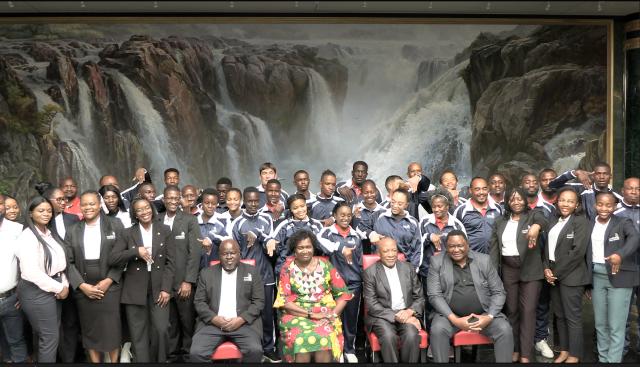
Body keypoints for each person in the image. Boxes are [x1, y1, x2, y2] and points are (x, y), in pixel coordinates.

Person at [427, 230, 513, 363]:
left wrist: (489, 317)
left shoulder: (484, 260)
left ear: (467, 245)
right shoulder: (437, 261)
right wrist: (455, 320)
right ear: (446, 247)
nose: (456, 250)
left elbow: (499, 292)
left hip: (482, 315)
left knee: (504, 329)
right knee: (437, 330)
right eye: (451, 246)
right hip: (450, 316)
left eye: (460, 245)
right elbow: (434, 295)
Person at [64, 190, 126, 363]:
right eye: (84, 204)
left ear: (99, 205)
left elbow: (122, 256)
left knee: (111, 328)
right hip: (84, 287)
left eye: (92, 203)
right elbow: (67, 262)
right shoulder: (72, 230)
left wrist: (109, 280)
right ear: (80, 207)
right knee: (89, 328)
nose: (88, 207)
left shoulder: (116, 224)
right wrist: (82, 286)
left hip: (110, 285)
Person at [111, 198, 176, 363]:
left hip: (159, 287)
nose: (144, 211)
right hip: (135, 288)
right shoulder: (127, 233)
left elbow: (171, 262)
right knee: (138, 332)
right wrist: (135, 251)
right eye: (139, 210)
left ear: (152, 209)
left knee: (161, 329)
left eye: (147, 207)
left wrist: (166, 289)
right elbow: (113, 258)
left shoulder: (165, 229)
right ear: (135, 214)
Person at [273, 229, 352, 362]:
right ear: (294, 250)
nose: (305, 251)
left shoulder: (325, 265)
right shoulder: (287, 268)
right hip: (296, 315)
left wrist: (332, 315)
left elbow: (343, 294)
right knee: (301, 338)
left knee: (324, 337)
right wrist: (311, 315)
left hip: (326, 314)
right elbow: (285, 301)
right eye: (301, 248)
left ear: (313, 248)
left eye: (308, 247)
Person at [489, 187, 547, 363]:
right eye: (512, 199)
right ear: (507, 202)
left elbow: (543, 221)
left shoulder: (534, 215)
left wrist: (536, 227)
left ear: (525, 200)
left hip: (530, 269)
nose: (516, 202)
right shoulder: (500, 221)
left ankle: (526, 354)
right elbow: (494, 250)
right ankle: (514, 349)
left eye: (520, 198)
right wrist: (491, 274)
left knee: (528, 311)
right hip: (508, 269)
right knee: (511, 311)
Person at [189, 240, 265, 362]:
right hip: (212, 324)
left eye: (232, 253)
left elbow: (259, 302)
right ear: (219, 255)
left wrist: (241, 320)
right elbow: (199, 302)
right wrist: (215, 319)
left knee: (255, 350)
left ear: (239, 254)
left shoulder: (252, 272)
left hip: (244, 324)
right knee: (196, 353)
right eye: (225, 254)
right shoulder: (206, 273)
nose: (229, 257)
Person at [16, 196, 70, 363]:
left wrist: (64, 284)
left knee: (47, 336)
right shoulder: (28, 237)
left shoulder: (49, 233)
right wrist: (59, 288)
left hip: (52, 287)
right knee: (49, 338)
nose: (46, 214)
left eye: (48, 211)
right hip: (37, 291)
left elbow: (60, 263)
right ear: (31, 213)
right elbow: (31, 271)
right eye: (41, 211)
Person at [588, 191, 639, 363]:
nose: (604, 208)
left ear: (615, 206)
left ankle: (613, 361)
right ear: (595, 205)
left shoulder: (623, 222)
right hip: (596, 277)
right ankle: (604, 359)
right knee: (600, 325)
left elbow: (635, 238)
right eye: (600, 204)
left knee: (616, 326)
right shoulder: (590, 224)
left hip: (619, 276)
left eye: (609, 205)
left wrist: (620, 254)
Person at [229, 187, 278, 362]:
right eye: (249, 201)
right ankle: (250, 349)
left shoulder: (267, 219)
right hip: (244, 275)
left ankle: (268, 348)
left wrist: (259, 235)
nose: (253, 204)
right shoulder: (236, 223)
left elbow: (272, 243)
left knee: (267, 313)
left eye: (256, 201)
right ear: (244, 201)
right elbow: (233, 252)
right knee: (245, 312)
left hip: (266, 274)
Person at [542, 186, 590, 363]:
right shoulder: (553, 219)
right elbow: (546, 247)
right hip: (554, 274)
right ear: (557, 201)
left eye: (570, 201)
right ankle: (564, 350)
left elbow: (577, 253)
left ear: (577, 204)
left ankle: (575, 354)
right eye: (562, 200)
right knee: (560, 316)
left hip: (572, 277)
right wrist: (546, 267)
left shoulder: (581, 222)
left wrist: (555, 273)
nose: (565, 204)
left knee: (573, 317)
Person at [363, 237, 424, 363]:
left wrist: (409, 312)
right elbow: (372, 304)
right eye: (386, 251)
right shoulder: (370, 272)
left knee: (412, 336)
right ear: (378, 254)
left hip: (405, 313)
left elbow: (419, 297)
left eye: (394, 250)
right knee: (388, 337)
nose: (391, 255)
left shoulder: (408, 268)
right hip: (381, 316)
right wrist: (397, 316)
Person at [157, 185, 201, 361]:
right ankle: (173, 353)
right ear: (164, 200)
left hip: (183, 281)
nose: (173, 201)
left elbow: (195, 252)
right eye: (170, 198)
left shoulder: (190, 220)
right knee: (170, 321)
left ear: (181, 199)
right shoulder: (157, 220)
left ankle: (189, 353)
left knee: (187, 320)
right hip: (164, 282)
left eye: (177, 198)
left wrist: (188, 281)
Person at [317, 202, 363, 363]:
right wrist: (340, 247)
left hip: (353, 284)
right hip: (333, 285)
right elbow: (318, 241)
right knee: (333, 317)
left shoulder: (355, 235)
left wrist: (359, 277)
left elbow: (359, 261)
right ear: (334, 216)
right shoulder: (327, 233)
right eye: (342, 215)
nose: (345, 218)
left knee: (351, 319)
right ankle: (337, 349)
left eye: (348, 215)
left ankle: (349, 349)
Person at [40, 186, 81, 362]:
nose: (64, 202)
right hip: (48, 282)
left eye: (65, 199)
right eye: (59, 199)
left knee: (71, 321)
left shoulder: (74, 219)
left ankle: (70, 359)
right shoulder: (39, 223)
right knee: (49, 326)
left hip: (73, 278)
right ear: (47, 201)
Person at [418, 188, 466, 324]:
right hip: (428, 271)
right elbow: (416, 243)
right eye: (433, 207)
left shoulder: (456, 224)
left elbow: (465, 248)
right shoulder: (424, 222)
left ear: (447, 206)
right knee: (430, 303)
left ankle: (451, 338)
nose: (436, 209)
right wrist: (428, 236)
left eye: (440, 206)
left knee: (450, 303)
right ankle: (432, 337)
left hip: (451, 271)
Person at [520, 173, 555, 358]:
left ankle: (540, 339)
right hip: (518, 265)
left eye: (534, 182)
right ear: (521, 184)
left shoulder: (549, 208)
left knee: (542, 303)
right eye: (527, 181)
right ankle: (520, 342)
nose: (531, 185)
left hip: (542, 262)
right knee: (520, 306)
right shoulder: (514, 206)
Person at [267, 194, 323, 279]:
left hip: (312, 271)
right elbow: (273, 243)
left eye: (302, 206)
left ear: (306, 206)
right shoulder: (284, 225)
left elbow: (322, 247)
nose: (300, 210)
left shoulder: (316, 225)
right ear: (291, 210)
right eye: (295, 208)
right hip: (287, 271)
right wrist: (271, 242)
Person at [0, 193, 28, 363]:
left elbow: (26, 262)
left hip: (11, 298)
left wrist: (22, 292)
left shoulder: (17, 229)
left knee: (16, 341)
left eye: (0, 203)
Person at [549, 162, 622, 221]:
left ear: (610, 176)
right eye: (598, 174)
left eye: (605, 174)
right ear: (593, 176)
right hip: (582, 233)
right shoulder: (582, 189)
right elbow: (553, 185)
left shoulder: (617, 197)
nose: (601, 177)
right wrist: (576, 173)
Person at [369, 189, 422, 270]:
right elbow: (361, 228)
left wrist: (413, 270)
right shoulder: (380, 216)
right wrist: (371, 234)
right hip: (380, 266)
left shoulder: (413, 222)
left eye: (400, 204)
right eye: (393, 202)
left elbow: (417, 249)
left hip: (404, 267)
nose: (395, 205)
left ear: (406, 205)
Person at [616, 177, 640, 356]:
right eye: (630, 188)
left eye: (637, 189)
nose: (634, 191)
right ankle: (621, 348)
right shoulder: (615, 212)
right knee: (622, 310)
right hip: (624, 269)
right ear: (622, 191)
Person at [453, 177, 503, 254]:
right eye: (477, 189)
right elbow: (454, 236)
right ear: (470, 191)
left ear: (488, 189)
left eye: (484, 189)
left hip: (494, 258)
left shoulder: (497, 208)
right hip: (471, 259)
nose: (481, 192)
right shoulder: (461, 210)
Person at [196, 188, 229, 268]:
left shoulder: (223, 221)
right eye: (207, 203)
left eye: (213, 203)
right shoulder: (194, 221)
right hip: (197, 267)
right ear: (202, 204)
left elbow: (227, 241)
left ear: (217, 204)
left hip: (217, 267)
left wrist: (212, 239)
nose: (210, 206)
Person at [352, 179, 386, 255]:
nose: (369, 195)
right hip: (359, 253)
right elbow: (353, 232)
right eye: (366, 192)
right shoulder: (356, 210)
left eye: (372, 192)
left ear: (376, 192)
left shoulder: (384, 211)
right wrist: (355, 217)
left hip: (379, 252)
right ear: (361, 193)